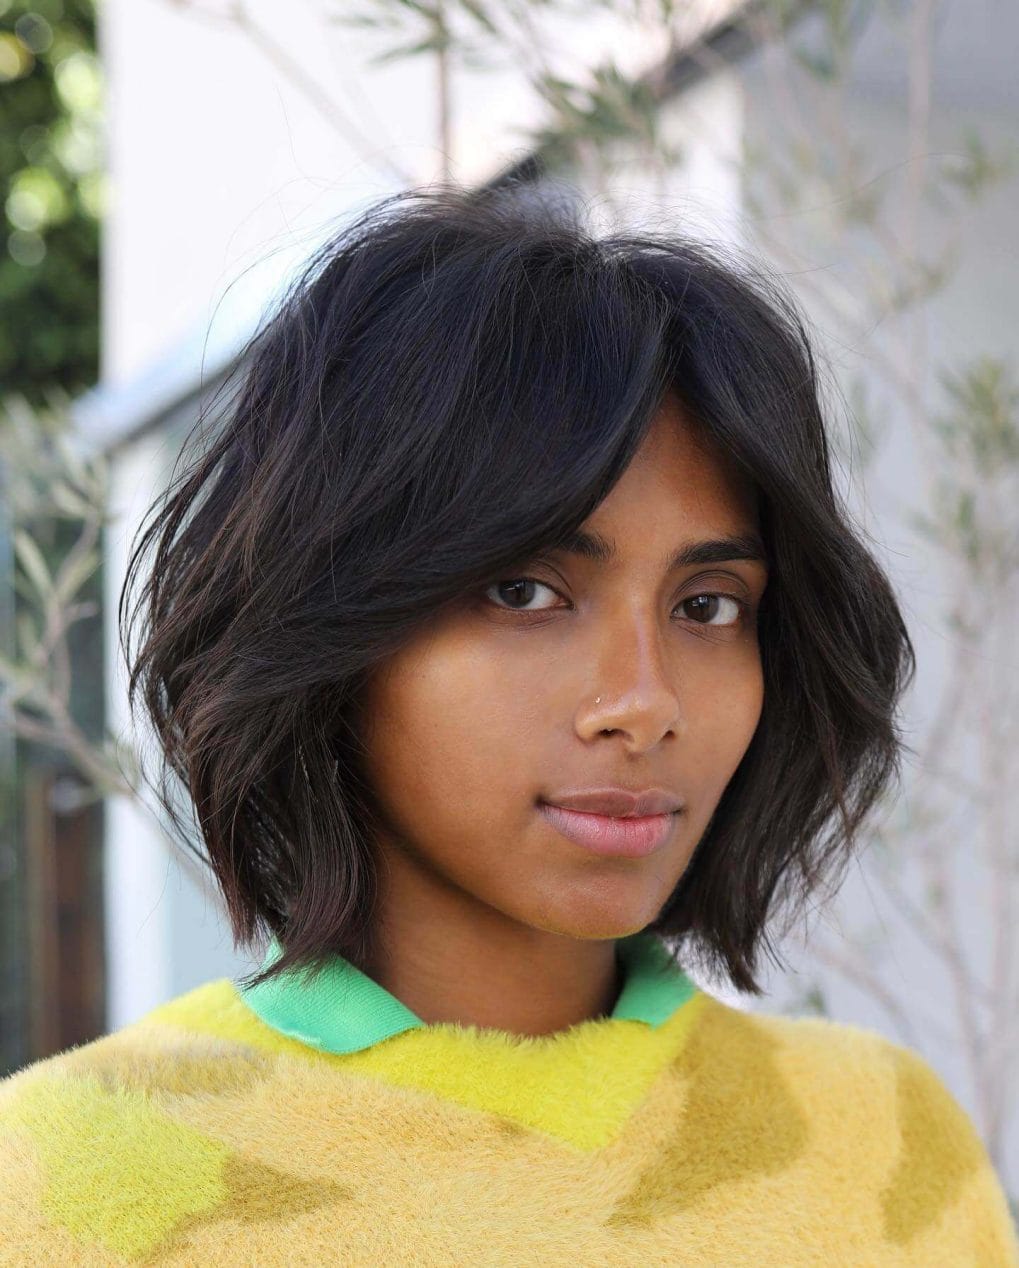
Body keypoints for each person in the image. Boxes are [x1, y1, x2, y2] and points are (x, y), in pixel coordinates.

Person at [1, 182, 1016, 1266]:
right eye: (524, 591)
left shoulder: (881, 1148)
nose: (642, 700)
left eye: (706, 605)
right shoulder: (62, 1184)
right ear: (330, 622)